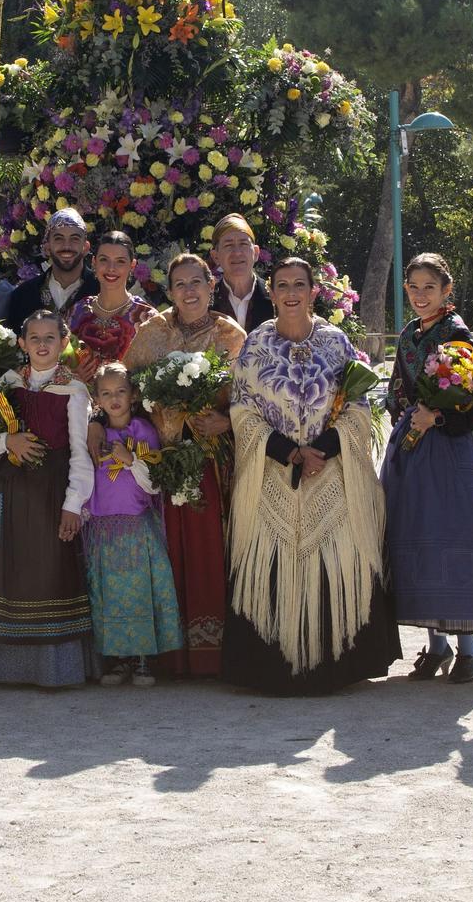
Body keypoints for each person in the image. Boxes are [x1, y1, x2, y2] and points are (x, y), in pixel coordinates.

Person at [223, 256, 400, 694]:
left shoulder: (336, 342)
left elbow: (360, 404)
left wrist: (323, 449)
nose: (290, 294)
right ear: (272, 290)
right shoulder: (255, 345)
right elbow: (241, 409)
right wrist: (288, 452)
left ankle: (336, 666)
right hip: (272, 476)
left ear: (313, 290)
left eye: (298, 284)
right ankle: (273, 667)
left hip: (331, 472)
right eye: (281, 285)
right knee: (269, 563)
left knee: (339, 559)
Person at [380, 254, 473, 684]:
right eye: (413, 287)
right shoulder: (409, 335)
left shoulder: (458, 336)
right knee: (415, 538)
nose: (420, 295)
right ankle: (436, 645)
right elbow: (399, 387)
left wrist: (437, 417)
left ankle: (468, 646)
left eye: (428, 287)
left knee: (451, 540)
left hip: (449, 450)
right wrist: (405, 411)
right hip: (412, 448)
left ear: (446, 290)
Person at [125, 253, 245, 677]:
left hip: (212, 460)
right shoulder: (151, 332)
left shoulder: (231, 336)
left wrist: (227, 420)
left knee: (209, 547)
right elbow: (128, 392)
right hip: (161, 460)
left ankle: (213, 653)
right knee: (164, 550)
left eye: (198, 282)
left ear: (212, 286)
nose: (190, 290)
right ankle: (169, 654)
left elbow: (254, 400)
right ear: (169, 289)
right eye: (181, 283)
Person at [0, 309, 96, 686]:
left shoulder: (73, 390)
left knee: (48, 571)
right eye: (34, 337)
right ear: (21, 343)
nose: (41, 344)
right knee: (7, 571)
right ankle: (4, 664)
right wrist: (8, 441)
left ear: (64, 343)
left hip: (51, 491)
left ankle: (53, 667)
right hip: (9, 490)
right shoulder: (7, 383)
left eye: (50, 337)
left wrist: (73, 504)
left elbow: (79, 451)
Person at [81, 362, 182, 685]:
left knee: (139, 592)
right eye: (106, 393)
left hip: (137, 528)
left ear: (134, 395)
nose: (114, 399)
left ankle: (142, 659)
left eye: (121, 392)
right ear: (96, 399)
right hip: (103, 529)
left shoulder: (142, 431)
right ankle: (118, 659)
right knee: (108, 593)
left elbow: (154, 483)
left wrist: (132, 460)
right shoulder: (94, 434)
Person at [67, 230, 156, 381]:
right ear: (94, 263)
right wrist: (72, 375)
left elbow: (154, 376)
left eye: (120, 261)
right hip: (79, 401)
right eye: (104, 260)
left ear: (132, 265)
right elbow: (60, 360)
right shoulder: (77, 311)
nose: (111, 268)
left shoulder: (146, 317)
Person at [3, 208, 98, 332]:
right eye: (59, 238)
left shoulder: (102, 291)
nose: (67, 246)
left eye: (74, 239)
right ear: (47, 248)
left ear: (85, 247)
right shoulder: (22, 296)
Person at [209, 213, 275, 331]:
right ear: (215, 256)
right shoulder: (206, 303)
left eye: (243, 244)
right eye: (228, 245)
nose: (237, 252)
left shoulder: (275, 297)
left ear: (256, 252)